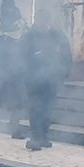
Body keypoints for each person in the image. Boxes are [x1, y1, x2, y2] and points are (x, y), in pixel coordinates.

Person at [22, 22, 72, 152]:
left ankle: (42, 136)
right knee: (36, 108)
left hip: (51, 78)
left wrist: (63, 73)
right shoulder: (30, 36)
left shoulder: (58, 36)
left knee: (46, 108)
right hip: (34, 79)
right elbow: (22, 57)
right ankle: (36, 137)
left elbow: (66, 56)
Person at [0, 0, 28, 138]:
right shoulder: (20, 22)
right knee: (15, 99)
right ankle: (13, 130)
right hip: (11, 67)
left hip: (6, 66)